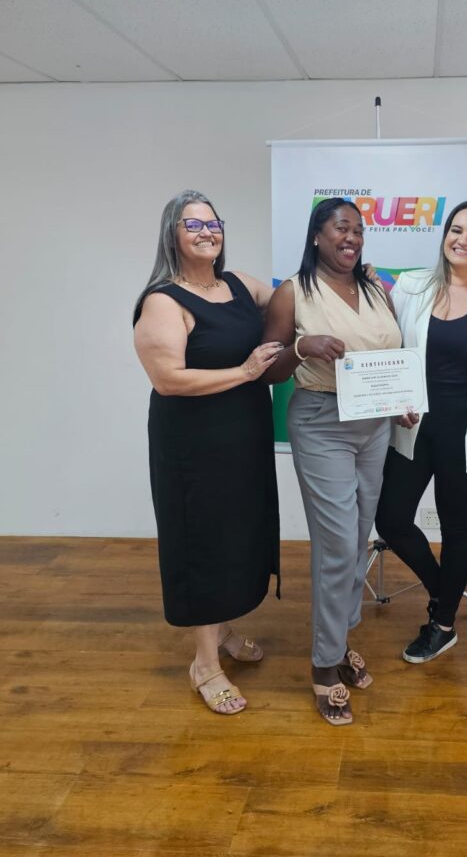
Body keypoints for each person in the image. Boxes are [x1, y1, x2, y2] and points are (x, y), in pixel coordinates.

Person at [133, 190, 282, 715]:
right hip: (192, 445)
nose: (205, 232)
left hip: (244, 434)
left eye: (212, 223)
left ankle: (221, 629)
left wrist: (356, 277)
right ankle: (204, 663)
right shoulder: (163, 300)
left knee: (238, 534)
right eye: (192, 225)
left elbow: (292, 300)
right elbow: (168, 379)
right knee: (202, 541)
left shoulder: (238, 283)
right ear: (172, 235)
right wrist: (244, 372)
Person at [262, 197, 401, 726]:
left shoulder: (375, 287)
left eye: (359, 231)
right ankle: (324, 665)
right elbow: (268, 369)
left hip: (375, 425)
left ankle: (339, 643)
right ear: (317, 235)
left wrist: (400, 402)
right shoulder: (293, 292)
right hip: (322, 422)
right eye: (342, 228)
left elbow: (388, 358)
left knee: (358, 538)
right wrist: (302, 349)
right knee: (338, 544)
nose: (352, 238)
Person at [375, 201, 467, 663]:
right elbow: (388, 347)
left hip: (465, 434)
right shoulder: (412, 286)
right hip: (414, 428)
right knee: (391, 519)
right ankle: (443, 592)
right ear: (445, 235)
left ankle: (443, 624)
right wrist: (392, 400)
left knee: (456, 526)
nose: (463, 240)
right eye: (456, 229)